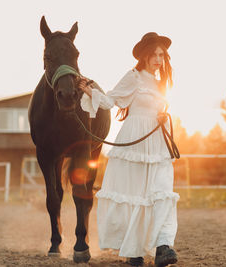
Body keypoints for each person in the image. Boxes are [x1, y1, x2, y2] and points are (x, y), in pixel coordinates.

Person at [78, 32, 179, 267]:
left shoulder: (162, 83)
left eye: (161, 55)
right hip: (135, 141)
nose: (158, 59)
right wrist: (89, 91)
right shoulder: (133, 77)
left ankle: (163, 246)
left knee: (162, 193)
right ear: (144, 56)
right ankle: (134, 251)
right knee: (136, 197)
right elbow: (111, 101)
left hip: (157, 143)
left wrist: (162, 117)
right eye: (154, 54)